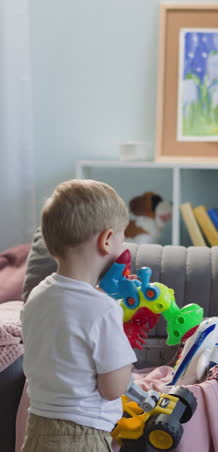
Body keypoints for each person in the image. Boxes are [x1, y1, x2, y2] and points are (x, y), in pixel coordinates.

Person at [20, 179, 137, 452]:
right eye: (123, 236)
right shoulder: (103, 308)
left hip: (37, 429)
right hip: (82, 437)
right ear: (107, 240)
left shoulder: (37, 296)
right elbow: (112, 389)